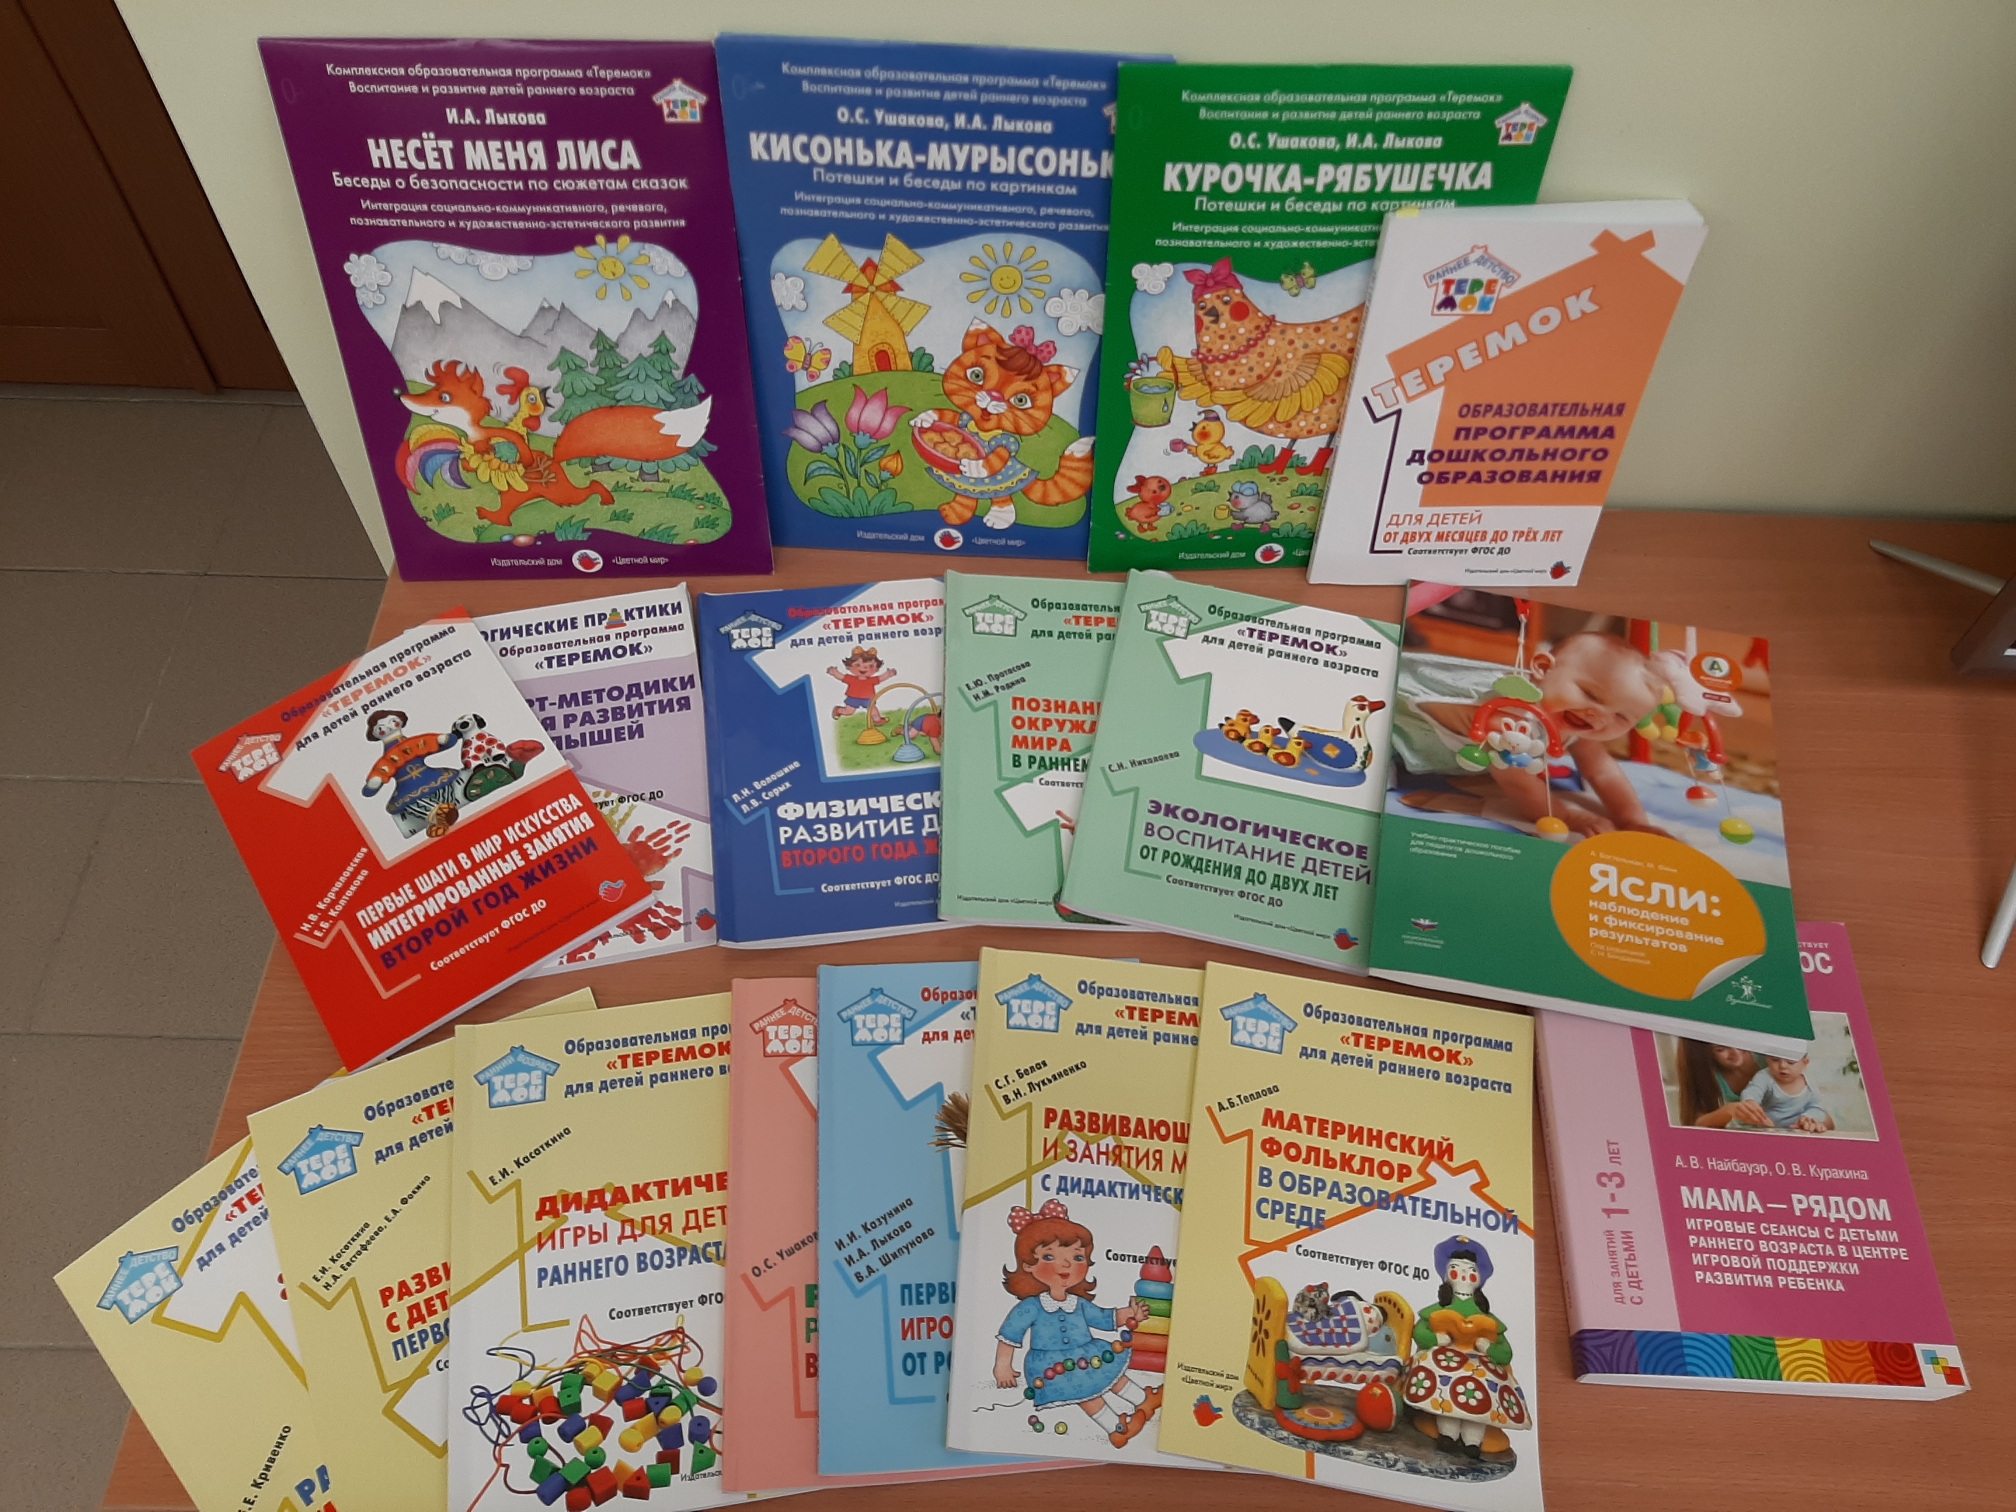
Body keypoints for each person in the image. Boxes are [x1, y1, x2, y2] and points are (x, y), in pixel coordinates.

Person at [1392, 630, 1671, 838]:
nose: (1599, 715)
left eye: (1621, 717)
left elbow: (1602, 771)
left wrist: (1633, 820)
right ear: (1543, 669)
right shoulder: (1511, 718)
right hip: (1397, 731)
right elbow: (1519, 786)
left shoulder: (1577, 723)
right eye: (1591, 695)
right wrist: (1570, 817)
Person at [990, 1200, 1156, 1447]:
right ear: (1028, 1265)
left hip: (1088, 1353)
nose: (1066, 1264)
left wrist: (1130, 1314)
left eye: (1077, 1257)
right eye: (1049, 1256)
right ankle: (1116, 1428)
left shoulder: (1078, 1303)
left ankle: (1144, 1400)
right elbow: (1010, 1335)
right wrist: (1002, 1366)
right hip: (1052, 1365)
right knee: (1083, 1391)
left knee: (1109, 1373)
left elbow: (1104, 1317)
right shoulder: (1031, 1306)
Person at [1675, 1039, 1772, 1129]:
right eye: (1721, 1049)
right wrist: (1729, 1111)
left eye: (1738, 1041)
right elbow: (1695, 1123)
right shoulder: (1708, 1074)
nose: (1736, 1053)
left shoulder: (1766, 1054)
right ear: (1706, 1054)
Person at [1741, 1051, 1834, 1132]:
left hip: (1799, 1129)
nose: (1783, 1066)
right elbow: (1753, 1091)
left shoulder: (1809, 1082)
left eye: (1791, 1061)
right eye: (1775, 1060)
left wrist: (1808, 1118)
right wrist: (1750, 1102)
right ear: (1767, 1059)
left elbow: (1817, 1106)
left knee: (1822, 1121)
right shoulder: (1765, 1077)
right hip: (1770, 1129)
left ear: (1805, 1063)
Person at [826, 645, 895, 723]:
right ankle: (839, 710)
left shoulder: (871, 680)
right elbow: (842, 677)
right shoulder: (852, 679)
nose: (864, 668)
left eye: (871, 666)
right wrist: (834, 673)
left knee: (873, 710)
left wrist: (888, 674)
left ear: (877, 668)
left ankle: (877, 720)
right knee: (849, 712)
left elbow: (880, 678)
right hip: (853, 698)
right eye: (857, 665)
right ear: (849, 666)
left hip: (868, 698)